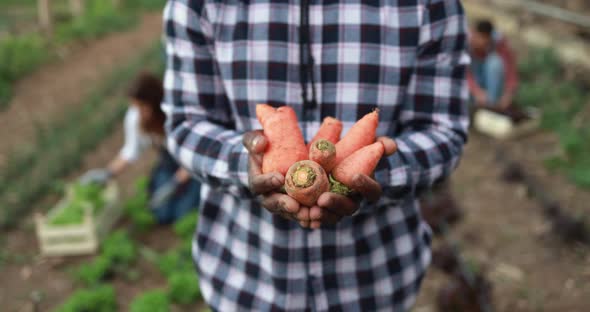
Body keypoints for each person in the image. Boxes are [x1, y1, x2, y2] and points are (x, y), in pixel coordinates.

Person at [162, 0, 469, 310]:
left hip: (376, 283)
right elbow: (185, 123)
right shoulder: (198, 5)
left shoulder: (428, 5)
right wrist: (245, 165)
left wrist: (375, 169)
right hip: (246, 280)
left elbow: (443, 130)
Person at [81, 72, 200, 224]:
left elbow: (193, 152)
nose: (138, 112)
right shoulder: (135, 117)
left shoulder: (174, 113)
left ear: (155, 101)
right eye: (135, 106)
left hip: (193, 163)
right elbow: (130, 151)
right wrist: (107, 173)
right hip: (169, 162)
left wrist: (175, 183)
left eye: (142, 106)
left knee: (181, 214)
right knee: (161, 214)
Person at [468, 19, 519, 111]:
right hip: (471, 82)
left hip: (490, 84)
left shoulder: (498, 42)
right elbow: (462, 71)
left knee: (495, 63)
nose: (477, 41)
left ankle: (491, 107)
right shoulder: (464, 41)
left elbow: (510, 71)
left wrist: (508, 94)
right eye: (476, 37)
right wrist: (476, 91)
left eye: (482, 38)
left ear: (488, 38)